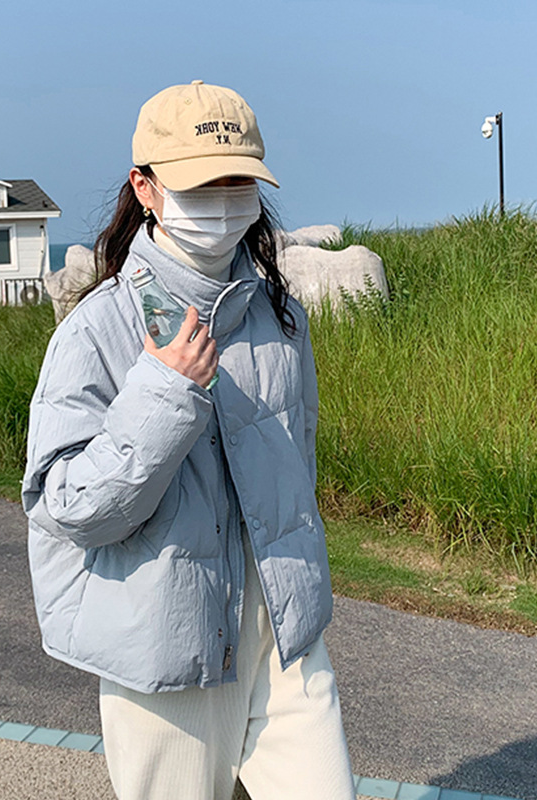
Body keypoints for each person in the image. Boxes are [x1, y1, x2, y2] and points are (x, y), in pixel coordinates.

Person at [22, 80, 356, 800]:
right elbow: (68, 506)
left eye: (241, 181)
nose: (226, 199)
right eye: (203, 183)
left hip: (284, 638)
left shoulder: (278, 318)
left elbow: (300, 464)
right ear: (145, 187)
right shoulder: (97, 331)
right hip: (167, 649)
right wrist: (165, 394)